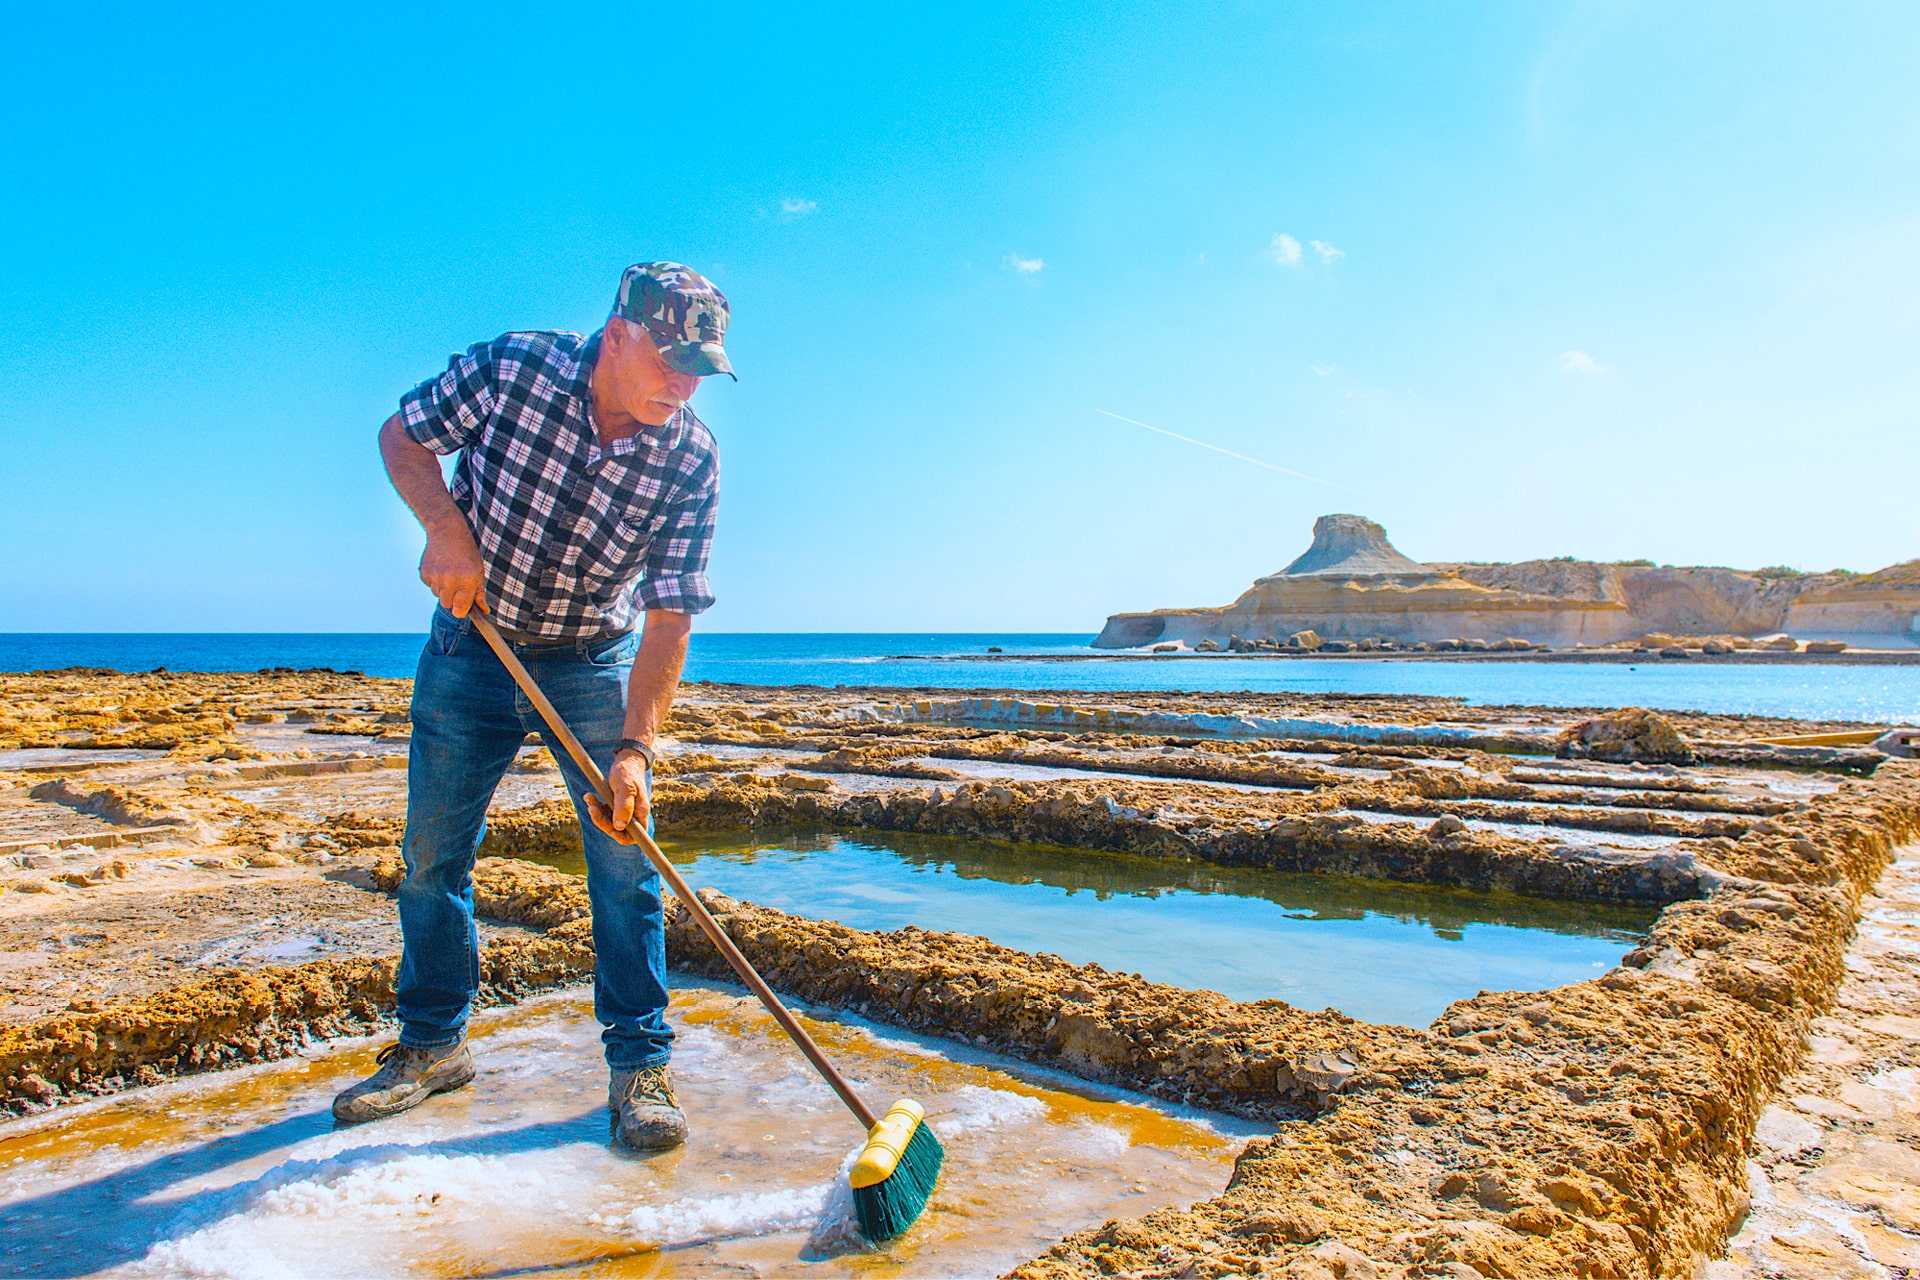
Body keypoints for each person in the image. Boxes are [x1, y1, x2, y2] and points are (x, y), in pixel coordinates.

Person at [332, 262, 729, 1150]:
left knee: (626, 863)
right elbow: (405, 435)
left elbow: (670, 614)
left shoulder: (690, 455)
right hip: (473, 647)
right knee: (434, 856)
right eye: (671, 359)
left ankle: (640, 1065)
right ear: (617, 332)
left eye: (700, 367)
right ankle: (433, 1048)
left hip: (592, 660)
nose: (684, 383)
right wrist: (444, 527)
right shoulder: (514, 370)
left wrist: (635, 748)